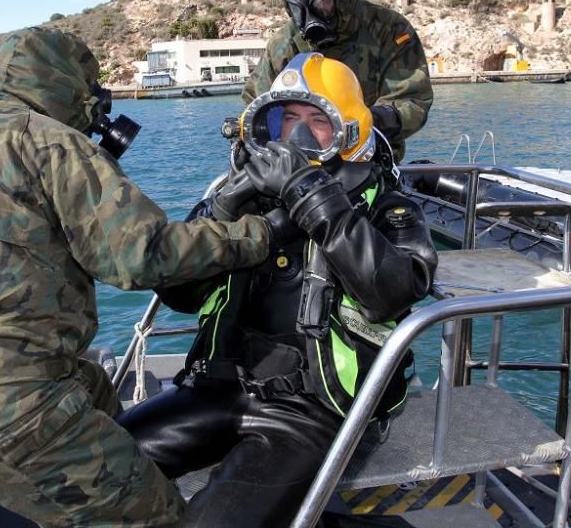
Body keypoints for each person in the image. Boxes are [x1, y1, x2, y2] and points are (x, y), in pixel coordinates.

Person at [0, 28, 298, 527]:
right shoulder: (51, 142)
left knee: (97, 391)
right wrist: (255, 235)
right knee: (156, 517)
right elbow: (144, 255)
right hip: (8, 411)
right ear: (67, 87)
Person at [118, 52, 438, 527]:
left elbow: (393, 292)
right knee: (89, 469)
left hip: (313, 412)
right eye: (288, 119)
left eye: (316, 121)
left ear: (349, 132)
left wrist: (310, 193)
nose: (298, 136)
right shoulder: (245, 200)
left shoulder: (384, 209)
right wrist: (223, 207)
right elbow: (179, 295)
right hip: (218, 390)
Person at [243, 0, 433, 163]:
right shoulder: (283, 44)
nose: (310, 18)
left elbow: (413, 100)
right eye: (298, 9)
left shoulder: (389, 30)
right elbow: (256, 102)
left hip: (369, 163)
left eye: (321, 3)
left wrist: (365, 122)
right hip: (295, 167)